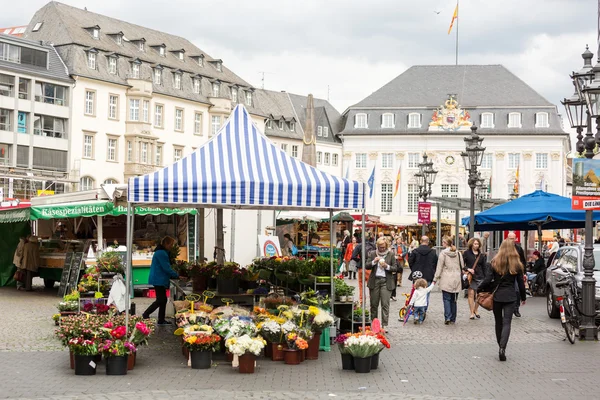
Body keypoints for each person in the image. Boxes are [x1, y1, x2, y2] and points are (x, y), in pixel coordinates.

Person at [479, 240, 526, 361]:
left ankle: (500, 345)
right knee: (507, 322)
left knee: (498, 322)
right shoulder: (517, 264)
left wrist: (479, 288)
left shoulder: (494, 262)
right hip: (510, 296)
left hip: (497, 296)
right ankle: (503, 348)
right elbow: (521, 283)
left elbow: (488, 279)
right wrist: (523, 297)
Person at [142, 236, 179, 325]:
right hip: (159, 279)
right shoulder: (162, 253)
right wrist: (177, 275)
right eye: (171, 244)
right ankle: (146, 314)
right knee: (161, 300)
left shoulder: (160, 252)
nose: (171, 246)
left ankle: (161, 319)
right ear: (166, 244)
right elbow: (166, 267)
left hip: (158, 278)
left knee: (163, 300)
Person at [366, 237, 398, 328]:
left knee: (385, 304)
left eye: (383, 247)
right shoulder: (373, 253)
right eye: (380, 247)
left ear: (386, 246)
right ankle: (374, 324)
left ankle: (385, 324)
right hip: (375, 281)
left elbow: (395, 268)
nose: (382, 249)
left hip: (386, 281)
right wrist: (373, 262)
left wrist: (386, 266)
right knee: (374, 304)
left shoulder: (391, 254)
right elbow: (367, 266)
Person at [434, 239, 463, 325]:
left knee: (446, 299)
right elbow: (462, 265)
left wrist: (435, 278)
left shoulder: (443, 253)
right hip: (456, 278)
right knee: (454, 299)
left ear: (445, 243)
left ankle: (448, 317)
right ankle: (453, 318)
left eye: (443, 242)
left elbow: (439, 267)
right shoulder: (458, 253)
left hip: (446, 278)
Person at [408, 236, 438, 316]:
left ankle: (416, 311)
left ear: (420, 241)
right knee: (426, 294)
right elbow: (436, 263)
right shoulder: (433, 252)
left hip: (417, 275)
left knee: (415, 293)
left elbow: (410, 262)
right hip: (428, 275)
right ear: (428, 242)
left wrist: (414, 270)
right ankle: (423, 310)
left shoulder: (415, 251)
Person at [463, 238, 487, 319]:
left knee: (479, 295)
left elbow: (484, 267)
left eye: (477, 244)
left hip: (480, 276)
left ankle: (476, 309)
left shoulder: (482, 255)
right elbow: (462, 265)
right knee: (471, 294)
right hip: (471, 276)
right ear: (471, 244)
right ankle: (471, 312)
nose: (476, 245)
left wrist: (486, 277)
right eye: (475, 244)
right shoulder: (466, 253)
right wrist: (468, 269)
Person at [506, 232, 526, 317]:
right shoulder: (504, 248)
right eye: (510, 238)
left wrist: (524, 272)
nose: (512, 240)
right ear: (507, 238)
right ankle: (507, 307)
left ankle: (516, 308)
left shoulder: (519, 248)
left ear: (515, 239)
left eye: (513, 238)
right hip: (507, 272)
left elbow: (523, 261)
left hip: (517, 272)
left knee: (517, 290)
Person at [352, 236, 375, 304]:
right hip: (370, 268)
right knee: (371, 286)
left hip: (361, 268)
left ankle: (362, 300)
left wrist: (359, 260)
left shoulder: (359, 246)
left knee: (361, 285)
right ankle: (372, 300)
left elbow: (353, 256)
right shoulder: (373, 245)